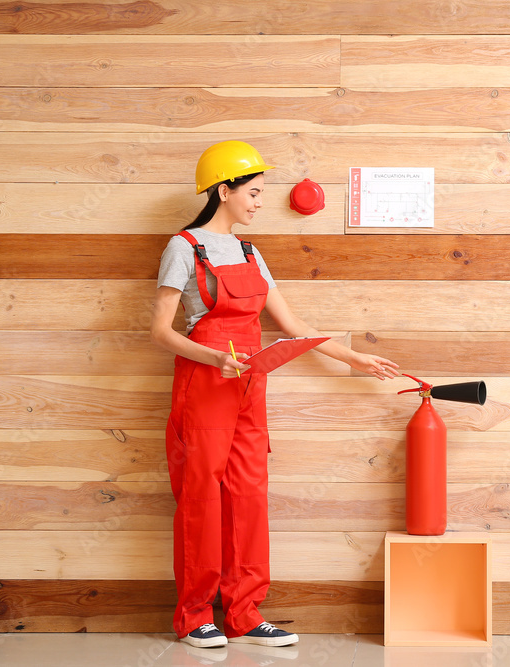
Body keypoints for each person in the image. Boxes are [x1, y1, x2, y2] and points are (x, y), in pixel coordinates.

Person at [150, 140, 399, 649]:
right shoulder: (184, 247)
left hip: (251, 382)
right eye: (255, 193)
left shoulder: (249, 251)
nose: (261, 203)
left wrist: (354, 358)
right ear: (225, 191)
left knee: (248, 494)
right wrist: (214, 357)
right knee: (202, 496)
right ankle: (196, 615)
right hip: (205, 382)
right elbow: (159, 331)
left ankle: (244, 611)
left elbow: (292, 324)